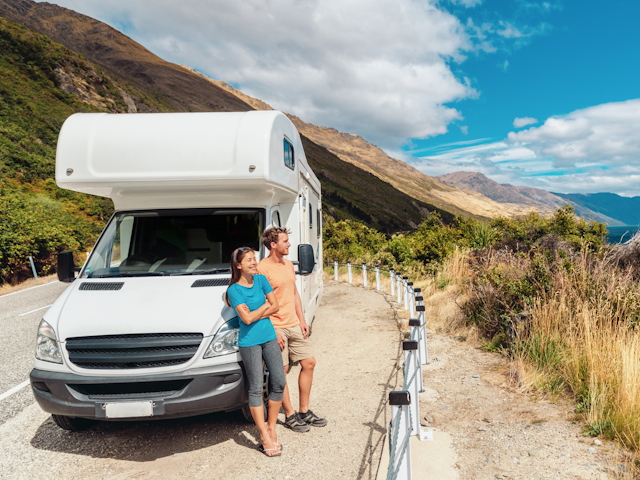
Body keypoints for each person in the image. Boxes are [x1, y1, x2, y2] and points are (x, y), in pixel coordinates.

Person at [257, 227, 327, 432]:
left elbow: (294, 293)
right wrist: (272, 329)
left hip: (293, 324)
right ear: (273, 245)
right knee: (283, 371)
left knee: (309, 363)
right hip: (276, 327)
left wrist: (302, 319)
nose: (289, 245)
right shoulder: (262, 268)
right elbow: (260, 301)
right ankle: (290, 415)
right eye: (285, 241)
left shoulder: (287, 264)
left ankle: (304, 411)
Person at [226, 247, 286, 457]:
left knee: (279, 381)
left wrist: (254, 312)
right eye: (249, 260)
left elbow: (275, 305)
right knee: (255, 387)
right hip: (249, 342)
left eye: (255, 259)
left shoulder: (261, 280)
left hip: (269, 336)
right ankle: (263, 434)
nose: (254, 263)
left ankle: (272, 426)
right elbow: (247, 320)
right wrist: (262, 309)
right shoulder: (234, 290)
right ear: (238, 265)